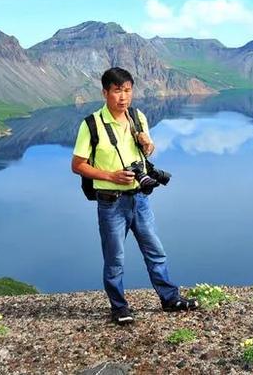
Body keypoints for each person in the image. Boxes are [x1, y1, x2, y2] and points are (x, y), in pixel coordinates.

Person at [71, 67, 198, 325]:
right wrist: (111, 176)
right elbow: (77, 164)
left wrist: (147, 144)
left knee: (155, 251)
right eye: (117, 91)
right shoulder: (91, 124)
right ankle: (119, 308)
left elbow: (148, 151)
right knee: (115, 259)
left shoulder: (138, 117)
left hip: (140, 199)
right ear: (105, 92)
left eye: (127, 90)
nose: (123, 97)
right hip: (111, 202)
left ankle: (170, 298)